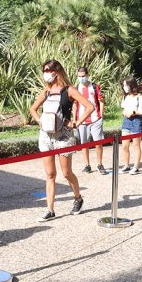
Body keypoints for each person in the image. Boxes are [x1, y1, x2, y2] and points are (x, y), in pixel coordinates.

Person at [29, 59, 93, 221]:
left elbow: (89, 106)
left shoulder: (69, 90)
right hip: (46, 136)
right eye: (44, 70)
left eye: (48, 70)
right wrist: (40, 121)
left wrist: (76, 123)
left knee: (66, 173)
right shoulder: (47, 91)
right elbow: (33, 109)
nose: (46, 74)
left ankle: (78, 198)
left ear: (57, 72)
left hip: (64, 135)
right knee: (50, 174)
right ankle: (50, 209)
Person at [73, 66, 106, 174]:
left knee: (98, 143)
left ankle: (100, 164)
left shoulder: (94, 86)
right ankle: (87, 165)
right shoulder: (76, 88)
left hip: (95, 119)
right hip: (82, 120)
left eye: (83, 76)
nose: (81, 78)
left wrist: (101, 115)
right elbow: (75, 105)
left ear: (87, 75)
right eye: (79, 76)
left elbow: (101, 100)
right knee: (84, 143)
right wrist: (75, 120)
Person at [120, 77, 142, 173]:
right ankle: (126, 165)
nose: (124, 87)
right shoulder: (125, 97)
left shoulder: (139, 97)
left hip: (136, 121)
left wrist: (134, 112)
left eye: (126, 85)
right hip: (126, 121)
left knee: (136, 145)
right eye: (123, 85)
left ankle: (136, 167)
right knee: (124, 145)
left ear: (131, 85)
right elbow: (123, 108)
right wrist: (125, 112)